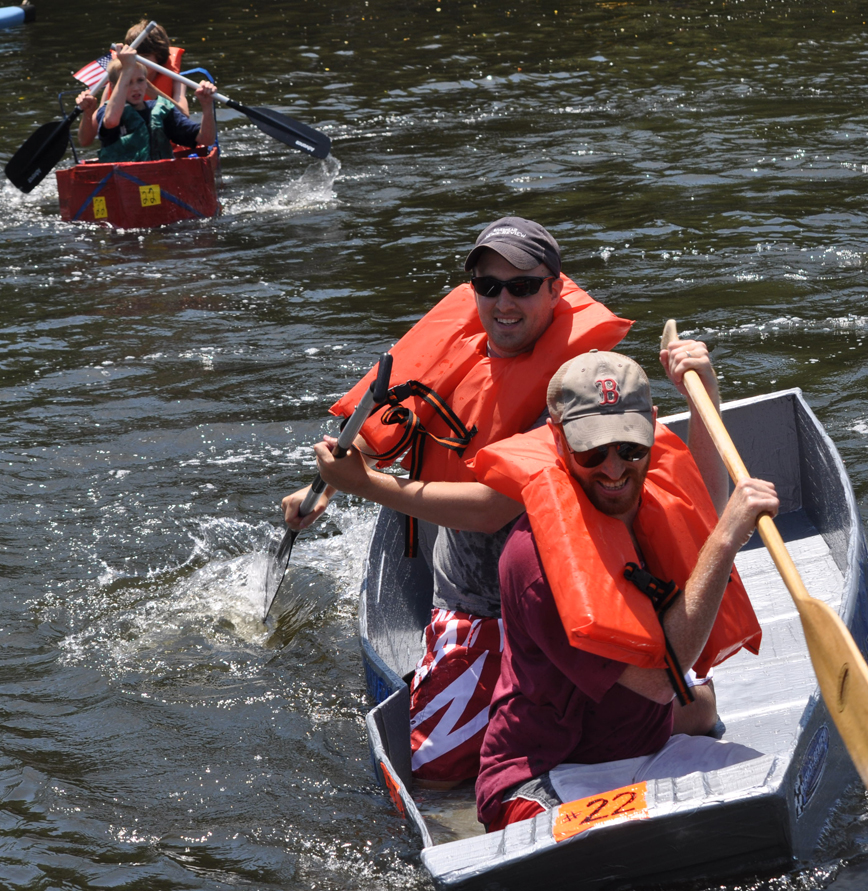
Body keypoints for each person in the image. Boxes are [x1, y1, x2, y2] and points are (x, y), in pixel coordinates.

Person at [281, 218, 632, 787]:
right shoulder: (468, 352)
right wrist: (328, 485)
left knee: (432, 771)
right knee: (435, 772)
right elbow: (408, 438)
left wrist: (364, 486)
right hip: (469, 599)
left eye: (522, 285)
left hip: (531, 612)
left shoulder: (574, 389)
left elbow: (493, 505)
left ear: (555, 288)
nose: (503, 301)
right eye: (488, 286)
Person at [472, 350, 780, 831]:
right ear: (557, 437)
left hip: (648, 749)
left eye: (630, 449)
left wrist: (706, 398)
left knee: (775, 794)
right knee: (611, 852)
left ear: (651, 429)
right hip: (550, 773)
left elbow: (694, 515)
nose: (614, 470)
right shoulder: (538, 560)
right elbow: (660, 682)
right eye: (591, 451)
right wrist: (725, 540)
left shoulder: (644, 491)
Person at [75, 46, 216, 164]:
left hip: (161, 181)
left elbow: (206, 139)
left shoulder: (162, 109)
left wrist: (207, 106)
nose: (136, 88)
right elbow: (111, 121)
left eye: (140, 80)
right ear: (115, 86)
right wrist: (127, 69)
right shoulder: (106, 111)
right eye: (128, 82)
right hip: (120, 184)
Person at [78, 21, 189, 148]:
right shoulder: (116, 83)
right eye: (135, 57)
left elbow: (184, 117)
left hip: (165, 149)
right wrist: (88, 112)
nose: (138, 63)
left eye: (145, 57)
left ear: (159, 57)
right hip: (126, 152)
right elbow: (85, 141)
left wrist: (146, 86)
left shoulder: (175, 79)